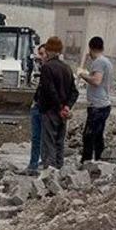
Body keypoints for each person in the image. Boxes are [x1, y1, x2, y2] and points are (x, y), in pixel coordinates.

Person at [37, 37, 78, 171]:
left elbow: (50, 91)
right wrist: (67, 107)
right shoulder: (67, 68)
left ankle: (50, 175)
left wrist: (60, 108)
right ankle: (60, 171)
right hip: (62, 114)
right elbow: (74, 92)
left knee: (48, 144)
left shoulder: (47, 67)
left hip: (50, 111)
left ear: (48, 51)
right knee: (59, 143)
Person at [77, 36, 112, 163]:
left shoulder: (98, 62)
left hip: (97, 105)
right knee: (97, 136)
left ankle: (86, 162)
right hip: (104, 104)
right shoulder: (107, 62)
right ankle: (98, 160)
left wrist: (82, 75)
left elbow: (96, 81)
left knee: (88, 135)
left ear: (91, 48)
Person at [23, 44, 47, 176]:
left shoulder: (50, 70)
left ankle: (42, 164)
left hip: (44, 109)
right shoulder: (41, 69)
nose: (39, 57)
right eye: (39, 54)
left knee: (43, 138)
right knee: (36, 137)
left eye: (42, 54)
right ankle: (33, 164)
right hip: (37, 107)